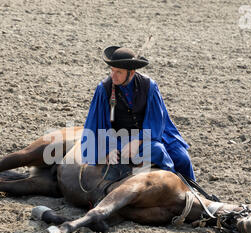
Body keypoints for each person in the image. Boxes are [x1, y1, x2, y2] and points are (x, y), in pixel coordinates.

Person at [81, 45, 195, 180]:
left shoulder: (149, 86)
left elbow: (156, 121)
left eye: (118, 72)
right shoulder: (103, 89)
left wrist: (138, 140)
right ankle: (172, 187)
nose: (113, 76)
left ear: (132, 73)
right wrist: (107, 151)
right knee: (157, 150)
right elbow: (97, 124)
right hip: (118, 139)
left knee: (182, 157)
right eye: (112, 71)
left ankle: (192, 192)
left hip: (150, 135)